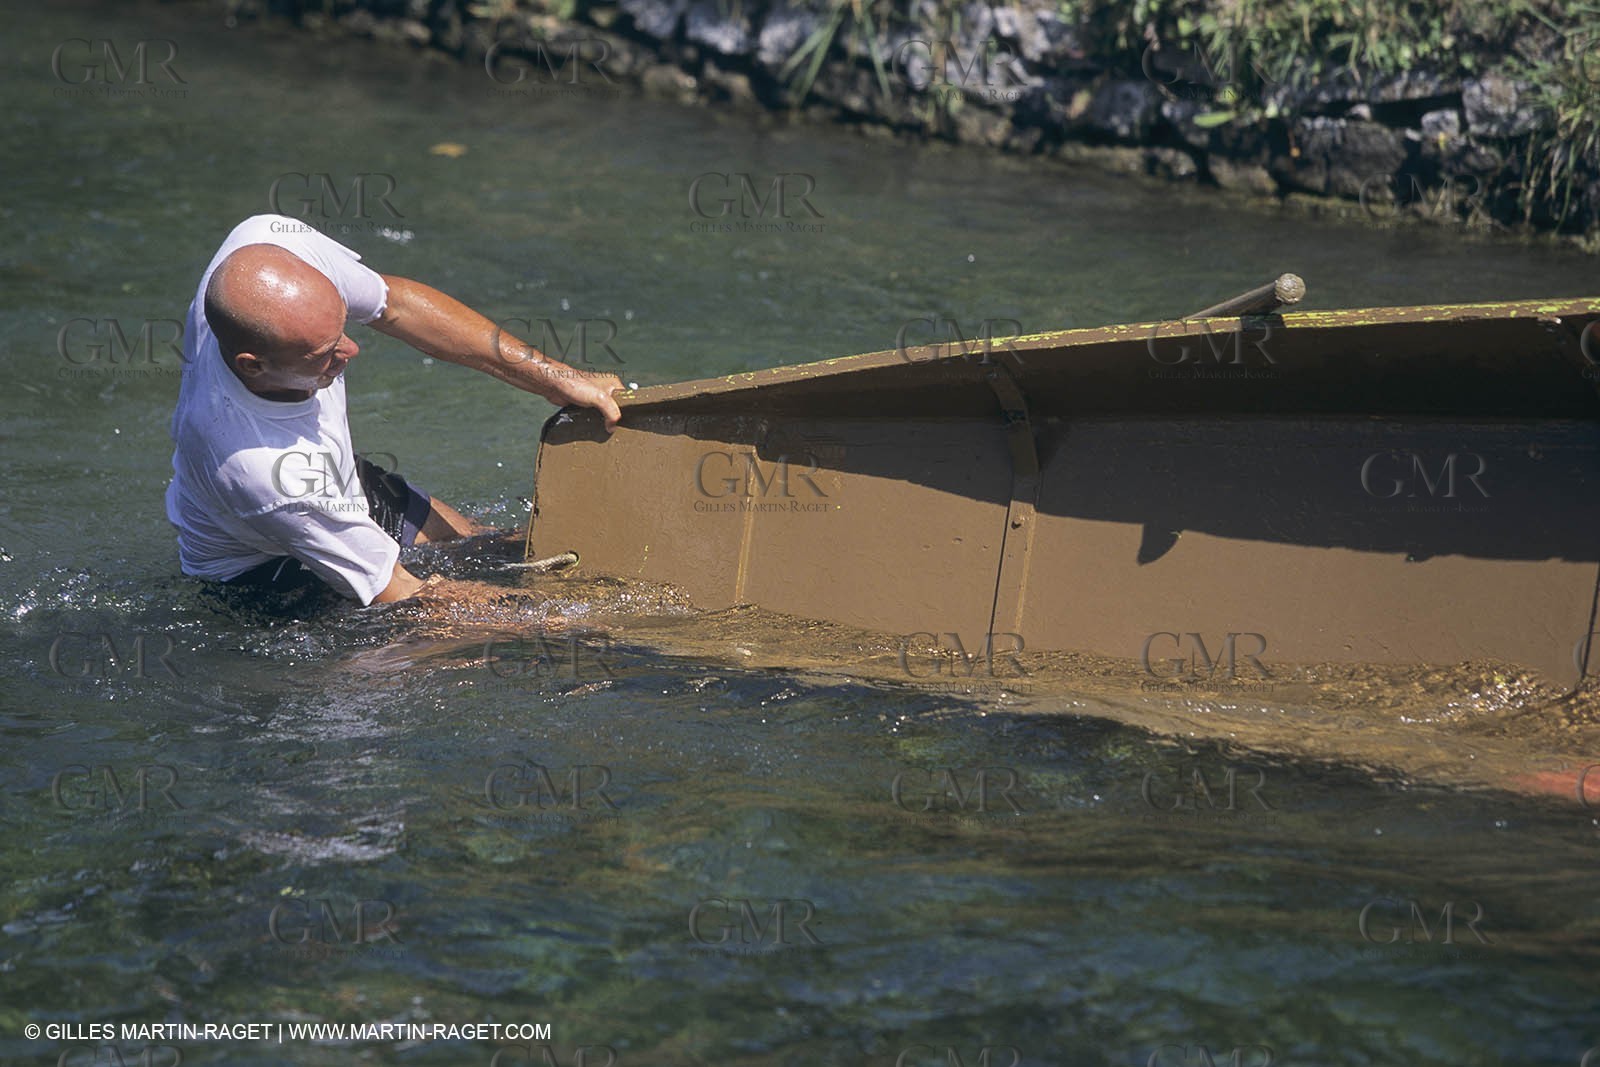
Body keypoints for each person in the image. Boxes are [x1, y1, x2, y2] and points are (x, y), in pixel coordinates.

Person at [166, 214, 623, 612]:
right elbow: (408, 593)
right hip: (272, 572)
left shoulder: (270, 243)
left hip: (326, 475)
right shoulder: (265, 473)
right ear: (254, 364)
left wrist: (554, 377)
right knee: (453, 641)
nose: (352, 349)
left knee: (485, 547)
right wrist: (585, 622)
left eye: (343, 325)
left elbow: (396, 305)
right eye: (325, 353)